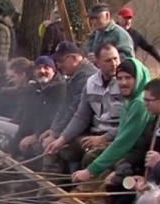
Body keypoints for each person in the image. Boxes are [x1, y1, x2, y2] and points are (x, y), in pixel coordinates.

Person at [71, 57, 153, 182]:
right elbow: (121, 132)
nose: (123, 82)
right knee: (90, 155)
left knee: (93, 166)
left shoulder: (140, 103)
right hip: (129, 152)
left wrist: (91, 171)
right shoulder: (129, 100)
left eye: (128, 78)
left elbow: (123, 142)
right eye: (119, 78)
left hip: (138, 158)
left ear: (138, 78)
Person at [45, 43, 123, 173]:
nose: (114, 64)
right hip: (94, 133)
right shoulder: (91, 83)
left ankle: (84, 189)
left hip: (114, 137)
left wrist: (104, 138)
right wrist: (61, 139)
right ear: (98, 62)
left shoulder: (125, 83)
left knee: (91, 156)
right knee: (56, 150)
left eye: (116, 59)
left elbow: (128, 123)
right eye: (108, 60)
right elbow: (81, 116)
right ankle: (51, 189)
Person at [41, 41, 98, 156]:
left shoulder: (86, 77)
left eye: (61, 61)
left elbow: (75, 110)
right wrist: (53, 129)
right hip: (75, 126)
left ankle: (54, 171)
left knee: (60, 148)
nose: (58, 65)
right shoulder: (73, 77)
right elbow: (64, 105)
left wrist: (57, 136)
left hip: (90, 129)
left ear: (74, 58)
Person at [12, 56, 67, 157]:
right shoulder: (34, 90)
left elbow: (54, 116)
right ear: (34, 72)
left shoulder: (60, 89)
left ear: (54, 71)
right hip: (34, 131)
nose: (42, 71)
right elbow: (27, 118)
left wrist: (36, 136)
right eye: (38, 68)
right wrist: (12, 150)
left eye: (46, 67)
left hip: (53, 133)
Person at [116, 7, 160, 75]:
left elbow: (149, 47)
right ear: (118, 18)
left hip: (128, 68)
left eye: (129, 18)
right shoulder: (111, 32)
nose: (127, 21)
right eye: (125, 18)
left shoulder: (135, 34)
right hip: (112, 68)